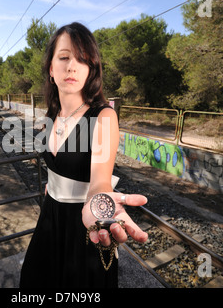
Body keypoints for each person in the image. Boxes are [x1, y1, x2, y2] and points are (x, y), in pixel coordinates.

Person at [20, 22, 148, 288]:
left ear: (91, 70)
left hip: (84, 226)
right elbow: (57, 168)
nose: (72, 66)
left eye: (82, 59)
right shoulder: (48, 119)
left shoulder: (103, 116)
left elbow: (100, 181)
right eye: (64, 57)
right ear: (51, 69)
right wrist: (54, 186)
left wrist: (98, 204)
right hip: (49, 218)